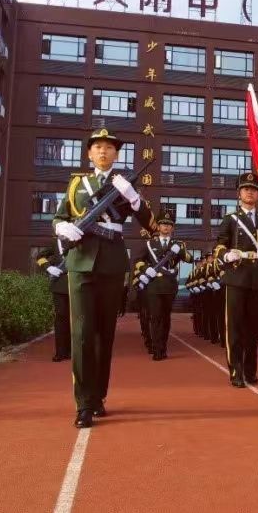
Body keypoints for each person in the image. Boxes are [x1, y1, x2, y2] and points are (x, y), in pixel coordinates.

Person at [52, 128, 155, 428]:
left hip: (111, 263)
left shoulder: (124, 184)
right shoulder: (76, 184)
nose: (103, 151)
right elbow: (59, 216)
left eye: (109, 148)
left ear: (116, 154)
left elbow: (151, 223)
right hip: (80, 262)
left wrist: (133, 198)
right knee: (82, 333)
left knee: (104, 334)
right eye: (98, 147)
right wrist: (62, 228)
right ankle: (83, 403)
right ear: (89, 153)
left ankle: (98, 396)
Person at [214, 172, 258, 386]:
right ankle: (236, 371)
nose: (250, 192)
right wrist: (225, 254)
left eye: (254, 189)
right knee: (235, 328)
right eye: (246, 189)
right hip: (237, 276)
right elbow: (220, 244)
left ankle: (250, 370)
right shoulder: (230, 219)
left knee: (254, 329)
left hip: (257, 278)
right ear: (239, 193)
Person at [135, 212, 192, 361]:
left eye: (169, 225)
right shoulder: (149, 244)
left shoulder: (178, 244)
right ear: (158, 227)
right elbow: (138, 261)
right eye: (163, 224)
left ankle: (163, 346)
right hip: (154, 285)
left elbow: (189, 259)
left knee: (165, 318)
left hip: (169, 286)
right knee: (155, 317)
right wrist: (145, 269)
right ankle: (157, 349)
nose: (166, 227)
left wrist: (181, 250)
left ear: (172, 228)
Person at [36, 242, 71, 362]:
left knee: (77, 319)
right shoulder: (56, 244)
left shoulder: (81, 239)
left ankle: (74, 351)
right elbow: (39, 257)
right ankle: (61, 351)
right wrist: (49, 267)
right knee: (61, 318)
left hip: (78, 285)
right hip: (60, 285)